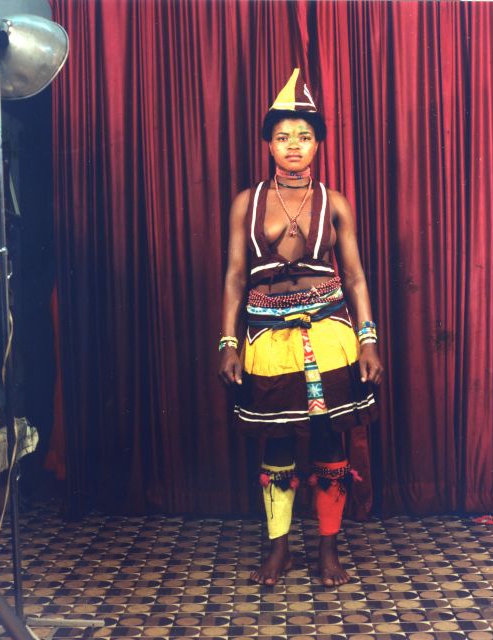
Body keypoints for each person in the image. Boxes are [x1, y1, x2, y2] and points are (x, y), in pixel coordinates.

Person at [219, 69, 383, 587]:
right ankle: (280, 550)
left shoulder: (336, 203)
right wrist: (228, 342)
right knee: (276, 445)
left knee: (329, 440)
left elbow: (354, 276)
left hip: (330, 335)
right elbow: (235, 276)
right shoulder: (247, 202)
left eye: (304, 136)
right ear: (268, 143)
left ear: (317, 144)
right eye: (283, 136)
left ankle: (328, 552)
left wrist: (368, 339)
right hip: (266, 339)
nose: (294, 145)